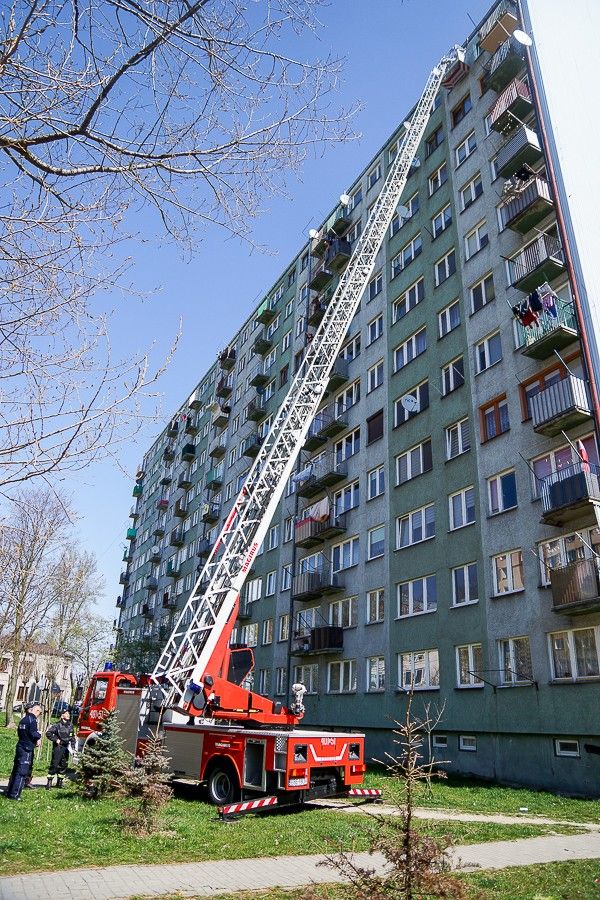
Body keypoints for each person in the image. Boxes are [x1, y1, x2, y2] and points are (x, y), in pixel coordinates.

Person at [4, 701, 42, 800]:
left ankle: (9, 791)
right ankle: (15, 795)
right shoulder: (32, 720)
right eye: (39, 711)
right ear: (34, 710)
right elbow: (33, 734)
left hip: (20, 746)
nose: (39, 714)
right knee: (22, 772)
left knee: (16, 770)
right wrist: (39, 735)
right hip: (27, 748)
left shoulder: (23, 720)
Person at [46, 709, 75, 788]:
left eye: (68, 713)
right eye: (66, 713)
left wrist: (73, 747)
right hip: (58, 747)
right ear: (62, 716)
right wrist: (56, 739)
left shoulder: (70, 725)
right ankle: (49, 783)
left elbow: (72, 737)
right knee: (55, 764)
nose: (68, 715)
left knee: (63, 764)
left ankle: (60, 782)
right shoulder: (57, 725)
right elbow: (48, 733)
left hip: (66, 747)